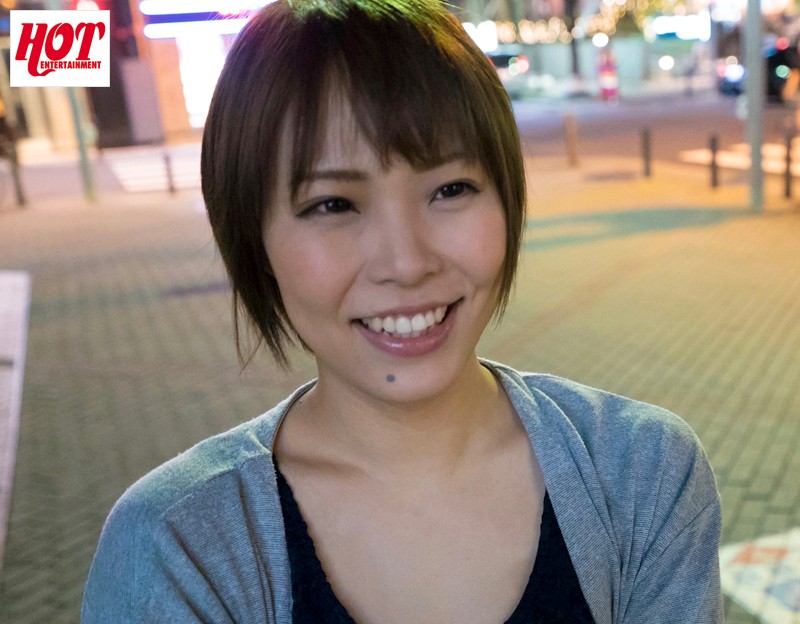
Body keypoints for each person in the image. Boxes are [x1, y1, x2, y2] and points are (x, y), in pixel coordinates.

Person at [82, 0, 723, 622]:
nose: (407, 262)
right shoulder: (177, 547)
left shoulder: (641, 474)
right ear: (256, 240)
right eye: (333, 204)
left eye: (451, 189)